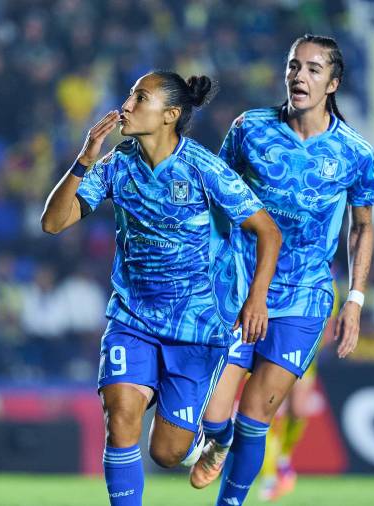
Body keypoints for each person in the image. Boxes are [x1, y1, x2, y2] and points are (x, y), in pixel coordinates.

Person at [40, 71, 281, 506]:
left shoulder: (204, 169)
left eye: (140, 97)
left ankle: (213, 441)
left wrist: (257, 298)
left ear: (170, 115)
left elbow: (268, 231)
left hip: (196, 328)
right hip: (132, 318)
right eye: (130, 95)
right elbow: (53, 223)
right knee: (121, 412)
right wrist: (83, 161)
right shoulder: (116, 164)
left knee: (166, 453)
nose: (126, 105)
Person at [189, 34, 374, 506]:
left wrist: (354, 301)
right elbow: (217, 198)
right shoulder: (250, 129)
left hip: (304, 297)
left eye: (313, 69)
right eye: (294, 65)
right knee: (214, 416)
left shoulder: (355, 153)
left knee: (256, 416)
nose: (299, 75)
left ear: (332, 83)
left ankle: (230, 503)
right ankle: (219, 438)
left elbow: (362, 228)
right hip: (240, 289)